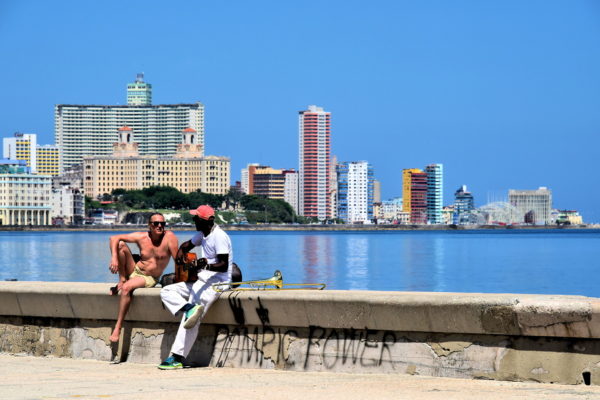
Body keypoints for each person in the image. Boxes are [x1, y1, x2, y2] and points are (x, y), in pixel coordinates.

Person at [158, 205, 233, 370]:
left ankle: (177, 357)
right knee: (167, 290)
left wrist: (205, 266)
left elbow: (223, 265)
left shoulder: (219, 236)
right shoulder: (202, 234)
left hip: (216, 283)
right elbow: (185, 246)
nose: (194, 220)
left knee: (192, 320)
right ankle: (189, 308)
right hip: (201, 280)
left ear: (207, 220)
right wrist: (180, 260)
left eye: (196, 218)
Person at [108, 213, 179, 343]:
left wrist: (180, 283)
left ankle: (118, 327)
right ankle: (122, 279)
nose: (159, 226)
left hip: (149, 277)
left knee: (126, 288)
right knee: (120, 245)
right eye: (156, 223)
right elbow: (114, 238)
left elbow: (178, 262)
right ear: (149, 225)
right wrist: (114, 258)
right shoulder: (142, 237)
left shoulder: (169, 238)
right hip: (134, 269)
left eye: (162, 224)